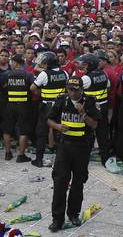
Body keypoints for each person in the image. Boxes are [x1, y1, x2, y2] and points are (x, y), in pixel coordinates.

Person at [47, 76, 99, 232]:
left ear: (82, 90)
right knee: (60, 182)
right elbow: (49, 119)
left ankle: (73, 213)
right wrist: (57, 126)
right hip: (64, 147)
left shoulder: (89, 101)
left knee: (78, 182)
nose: (72, 93)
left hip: (82, 148)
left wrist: (83, 113)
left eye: (75, 90)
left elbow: (95, 124)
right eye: (70, 89)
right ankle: (57, 219)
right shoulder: (62, 100)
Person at [30, 51, 68, 167]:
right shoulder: (65, 73)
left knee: (42, 133)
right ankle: (60, 160)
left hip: (47, 106)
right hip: (61, 106)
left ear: (49, 64)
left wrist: (42, 93)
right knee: (59, 133)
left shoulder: (44, 74)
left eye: (45, 63)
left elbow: (32, 88)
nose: (43, 65)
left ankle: (39, 159)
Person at [75, 53, 111, 165]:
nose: (82, 68)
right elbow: (108, 86)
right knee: (103, 134)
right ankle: (105, 159)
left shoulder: (86, 78)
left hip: (91, 110)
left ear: (90, 65)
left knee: (87, 133)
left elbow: (75, 91)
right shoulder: (103, 73)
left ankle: (84, 156)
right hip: (103, 107)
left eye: (84, 66)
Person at [0, 54, 35, 162]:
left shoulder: (6, 74)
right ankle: (21, 155)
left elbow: (2, 87)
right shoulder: (28, 75)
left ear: (15, 63)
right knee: (23, 131)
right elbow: (33, 88)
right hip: (24, 105)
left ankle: (7, 153)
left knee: (7, 130)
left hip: (10, 105)